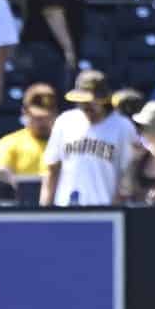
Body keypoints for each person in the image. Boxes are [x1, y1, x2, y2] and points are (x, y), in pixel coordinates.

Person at [43, 70, 139, 207]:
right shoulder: (65, 121)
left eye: (91, 101)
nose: (85, 106)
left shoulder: (123, 126)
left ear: (104, 99)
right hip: (65, 207)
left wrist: (116, 208)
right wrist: (45, 208)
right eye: (82, 101)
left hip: (105, 209)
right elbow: (52, 169)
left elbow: (128, 174)